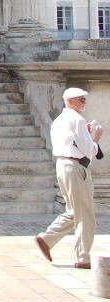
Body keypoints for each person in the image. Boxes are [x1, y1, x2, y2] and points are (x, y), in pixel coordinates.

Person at [35, 87, 104, 269]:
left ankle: (47, 239)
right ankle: (82, 257)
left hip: (62, 165)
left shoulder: (58, 121)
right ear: (70, 101)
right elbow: (89, 150)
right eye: (80, 99)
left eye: (84, 99)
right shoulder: (78, 120)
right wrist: (95, 138)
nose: (83, 102)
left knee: (74, 211)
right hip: (75, 167)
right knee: (85, 214)